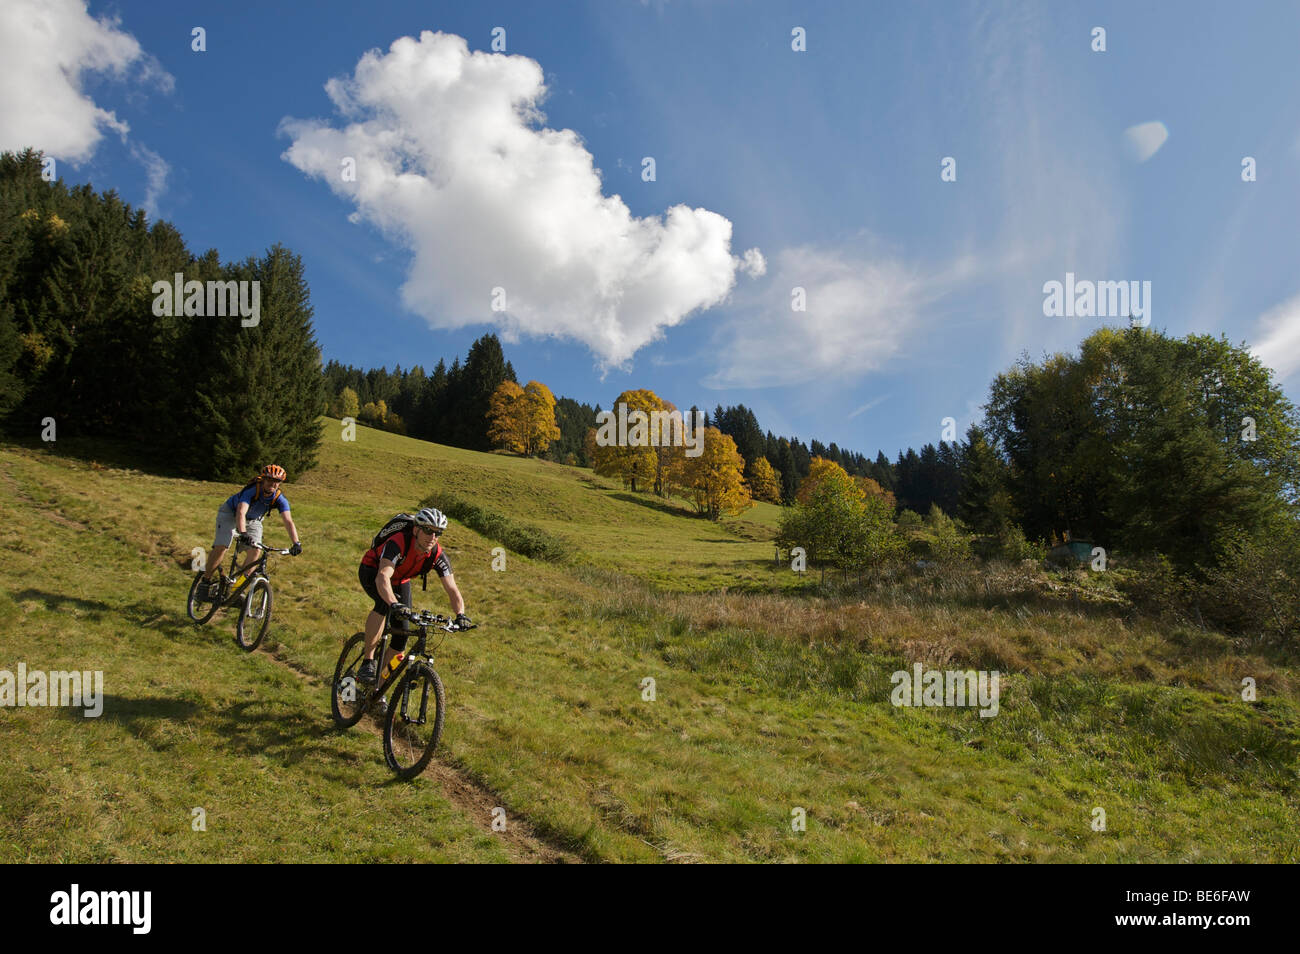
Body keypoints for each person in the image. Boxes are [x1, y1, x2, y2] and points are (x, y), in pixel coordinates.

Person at [356, 507, 469, 688]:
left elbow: (452, 589)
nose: (432, 537)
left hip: (400, 580)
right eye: (428, 530)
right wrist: (394, 604)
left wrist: (461, 615)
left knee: (401, 641)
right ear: (416, 529)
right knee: (383, 605)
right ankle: (367, 663)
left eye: (437, 533)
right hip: (372, 571)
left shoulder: (436, 554)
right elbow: (383, 576)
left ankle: (378, 689)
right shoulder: (398, 542)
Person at [201, 464, 301, 598]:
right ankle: (205, 582)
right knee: (222, 546)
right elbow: (241, 512)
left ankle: (236, 589)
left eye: (276, 481)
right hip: (230, 513)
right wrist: (243, 533)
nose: (272, 484)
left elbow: (288, 521)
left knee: (256, 551)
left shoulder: (279, 499)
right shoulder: (252, 490)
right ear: (263, 480)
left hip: (253, 520)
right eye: (269, 480)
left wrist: (296, 543)